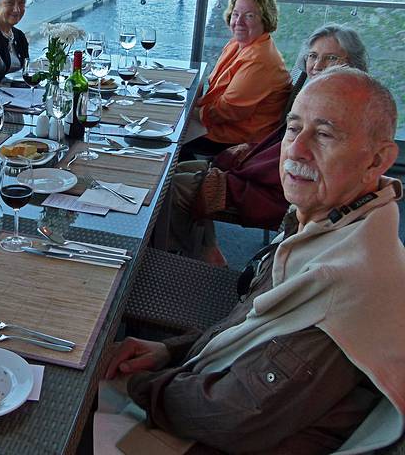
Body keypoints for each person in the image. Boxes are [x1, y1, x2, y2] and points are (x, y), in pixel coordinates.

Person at [106, 68, 404, 453]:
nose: (295, 149)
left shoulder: (346, 286)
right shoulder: (332, 224)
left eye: (325, 134)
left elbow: (231, 417)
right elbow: (251, 324)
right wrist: (169, 351)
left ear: (377, 160)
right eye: (294, 129)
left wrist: (126, 386)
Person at [168, 24, 369, 265]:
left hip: (283, 193)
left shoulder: (337, 111)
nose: (317, 65)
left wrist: (234, 168)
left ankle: (177, 257)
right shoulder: (322, 94)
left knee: (173, 187)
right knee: (177, 172)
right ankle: (206, 250)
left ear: (351, 64)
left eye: (331, 58)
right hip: (272, 174)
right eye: (313, 56)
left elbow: (296, 161)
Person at [182, 0, 291, 159]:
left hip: (238, 137)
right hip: (222, 124)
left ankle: (183, 179)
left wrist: (185, 112)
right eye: (235, 14)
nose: (238, 22)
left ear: (266, 19)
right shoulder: (239, 44)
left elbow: (229, 110)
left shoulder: (259, 60)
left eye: (249, 16)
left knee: (167, 137)